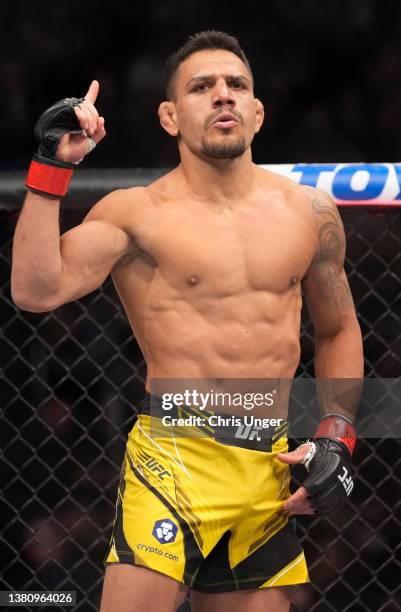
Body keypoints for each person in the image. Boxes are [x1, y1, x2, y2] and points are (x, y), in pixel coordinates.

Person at [11, 30, 363, 612]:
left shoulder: (310, 212)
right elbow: (34, 289)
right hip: (174, 458)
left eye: (236, 86)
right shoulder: (136, 212)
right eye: (202, 87)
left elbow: (338, 330)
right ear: (170, 116)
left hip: (265, 466)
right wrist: (52, 166)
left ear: (257, 111)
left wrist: (337, 435)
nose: (222, 96)